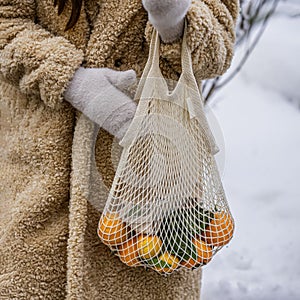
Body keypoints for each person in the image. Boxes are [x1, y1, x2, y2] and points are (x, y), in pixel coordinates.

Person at [0, 0, 239, 298]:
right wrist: (74, 82)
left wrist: (172, 17)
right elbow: (6, 21)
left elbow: (219, 49)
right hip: (40, 185)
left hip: (156, 190)